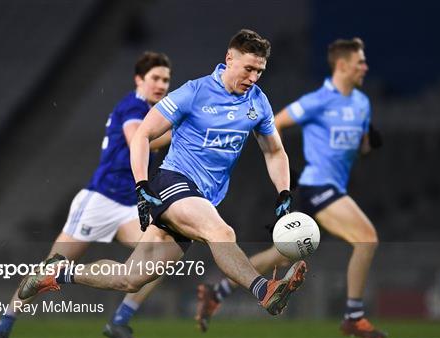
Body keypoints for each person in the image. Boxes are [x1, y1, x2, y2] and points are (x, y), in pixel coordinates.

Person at [16, 29, 307, 320]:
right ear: (230, 59)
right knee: (222, 232)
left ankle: (56, 274)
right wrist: (142, 185)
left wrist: (283, 192)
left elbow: (273, 152)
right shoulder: (193, 93)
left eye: (259, 71)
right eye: (249, 69)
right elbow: (143, 134)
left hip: (202, 199)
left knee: (130, 278)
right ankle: (264, 290)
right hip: (174, 183)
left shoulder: (258, 102)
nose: (254, 77)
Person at [195, 38, 387, 338]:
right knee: (367, 239)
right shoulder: (318, 100)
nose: (365, 66)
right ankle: (353, 316)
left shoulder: (362, 104)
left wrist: (368, 143)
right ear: (342, 65)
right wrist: (288, 170)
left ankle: (218, 290)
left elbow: (359, 146)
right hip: (317, 185)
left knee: (280, 255)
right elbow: (277, 123)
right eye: (359, 61)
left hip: (332, 186)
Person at [0, 52, 173, 338]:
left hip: (128, 205)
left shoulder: (153, 111)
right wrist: (182, 130)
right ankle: (4, 325)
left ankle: (120, 322)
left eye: (166, 79)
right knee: (50, 265)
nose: (161, 84)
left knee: (159, 259)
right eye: (155, 78)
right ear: (139, 79)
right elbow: (138, 141)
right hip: (99, 201)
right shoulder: (133, 106)